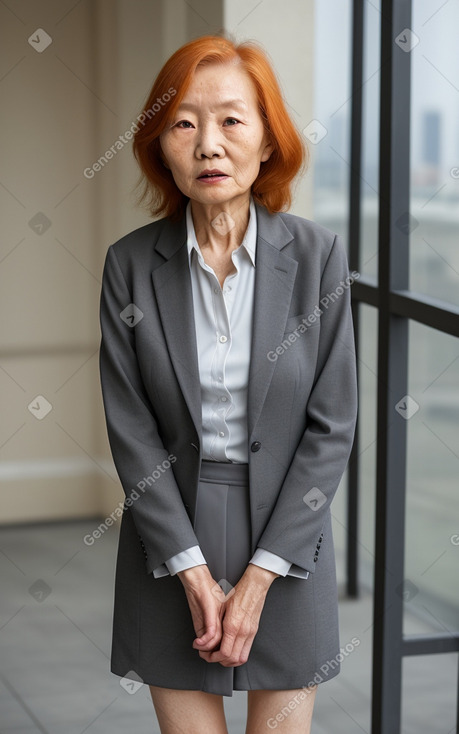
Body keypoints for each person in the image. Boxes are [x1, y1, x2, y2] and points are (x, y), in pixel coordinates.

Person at [99, 33, 358, 734]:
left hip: (286, 538)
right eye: (184, 123)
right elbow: (131, 430)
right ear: (161, 147)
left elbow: (332, 426)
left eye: (231, 121)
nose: (208, 144)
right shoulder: (129, 265)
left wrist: (261, 576)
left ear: (268, 142)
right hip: (169, 532)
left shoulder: (316, 257)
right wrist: (187, 569)